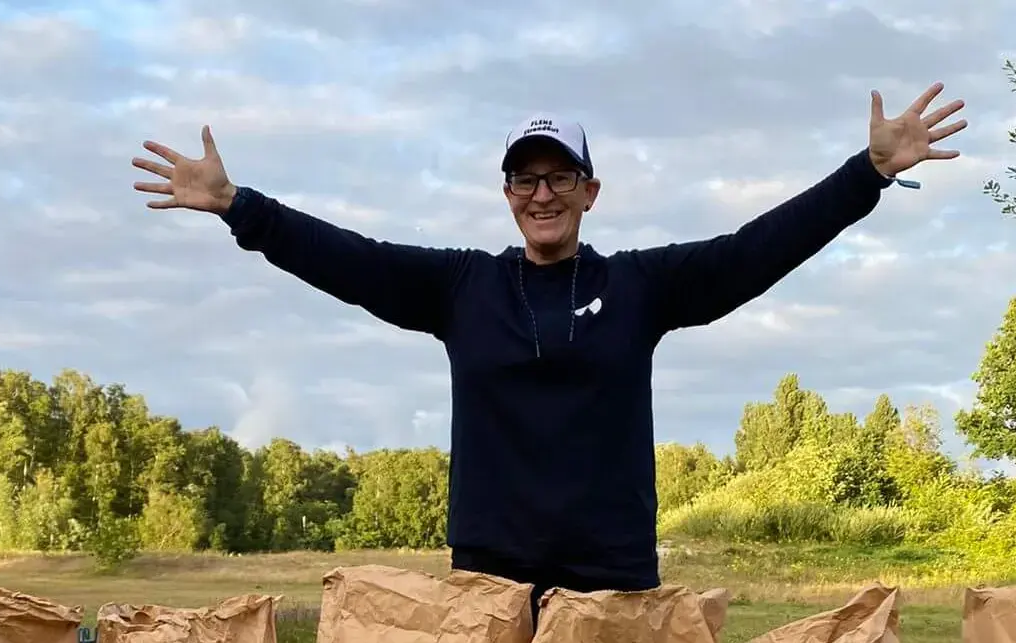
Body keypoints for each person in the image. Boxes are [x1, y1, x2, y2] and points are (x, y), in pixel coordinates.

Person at [132, 85, 966, 612]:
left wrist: (866, 174)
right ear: (505, 195)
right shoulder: (460, 291)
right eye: (524, 180)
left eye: (559, 177)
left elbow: (753, 251)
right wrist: (239, 206)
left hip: (612, 573)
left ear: (589, 192)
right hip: (489, 576)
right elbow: (351, 260)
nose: (542, 194)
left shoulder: (642, 288)